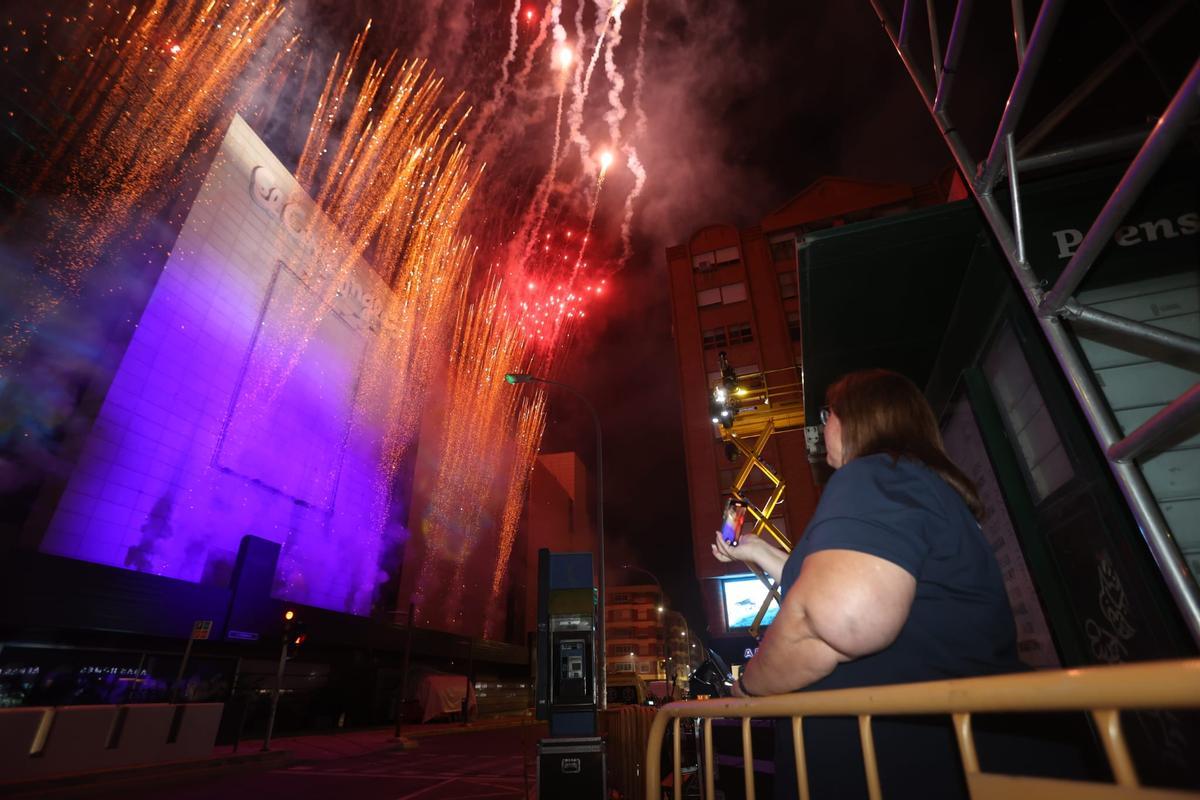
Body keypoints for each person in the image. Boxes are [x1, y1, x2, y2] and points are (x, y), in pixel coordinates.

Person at [712, 368, 1024, 799]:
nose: (821, 429)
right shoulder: (911, 483)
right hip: (934, 758)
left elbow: (836, 621)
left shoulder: (875, 475)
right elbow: (838, 587)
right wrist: (761, 551)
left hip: (897, 765)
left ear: (860, 418)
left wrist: (749, 685)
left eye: (828, 414)